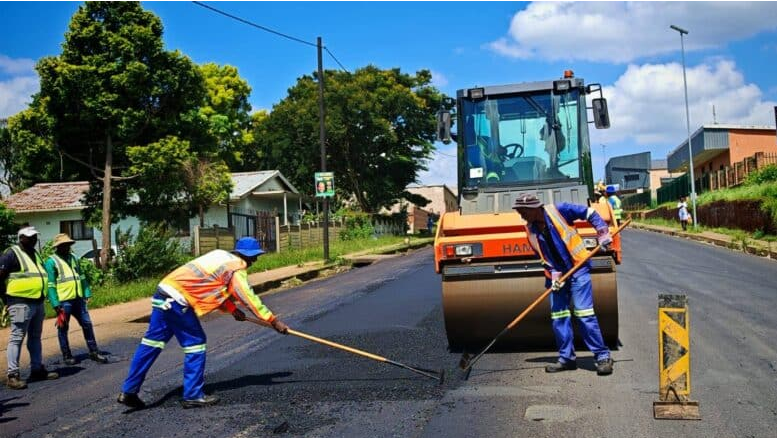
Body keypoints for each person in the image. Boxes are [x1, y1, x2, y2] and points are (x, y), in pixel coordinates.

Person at [117, 237, 289, 409]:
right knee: (196, 343)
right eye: (254, 257)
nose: (255, 261)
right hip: (178, 302)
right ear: (247, 256)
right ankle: (192, 395)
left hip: (163, 293)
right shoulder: (236, 268)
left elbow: (212, 287)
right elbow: (248, 298)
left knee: (151, 344)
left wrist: (232, 309)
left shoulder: (219, 255)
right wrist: (274, 321)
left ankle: (129, 391)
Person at [512, 194, 614, 376]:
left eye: (523, 211)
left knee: (584, 314)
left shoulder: (559, 210)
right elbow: (542, 258)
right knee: (559, 316)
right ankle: (566, 358)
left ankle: (602, 357)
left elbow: (589, 212)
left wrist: (602, 232)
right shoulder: (531, 230)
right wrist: (553, 276)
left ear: (535, 208)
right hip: (558, 276)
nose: (521, 215)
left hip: (578, 268)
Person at [1, 226, 59, 390]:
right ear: (21, 238)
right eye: (29, 237)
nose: (33, 239)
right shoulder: (11, 253)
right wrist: (5, 299)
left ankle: (37, 369)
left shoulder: (36, 254)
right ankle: (13, 375)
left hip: (37, 302)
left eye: (35, 236)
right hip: (19, 302)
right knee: (17, 337)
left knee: (35, 336)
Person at [44, 233, 109, 366]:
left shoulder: (74, 258)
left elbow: (82, 276)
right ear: (58, 247)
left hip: (78, 298)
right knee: (63, 328)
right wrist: (55, 304)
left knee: (87, 324)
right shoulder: (51, 262)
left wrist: (86, 292)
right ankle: (67, 355)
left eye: (68, 245)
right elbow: (50, 285)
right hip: (64, 301)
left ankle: (94, 351)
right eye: (64, 245)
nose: (67, 247)